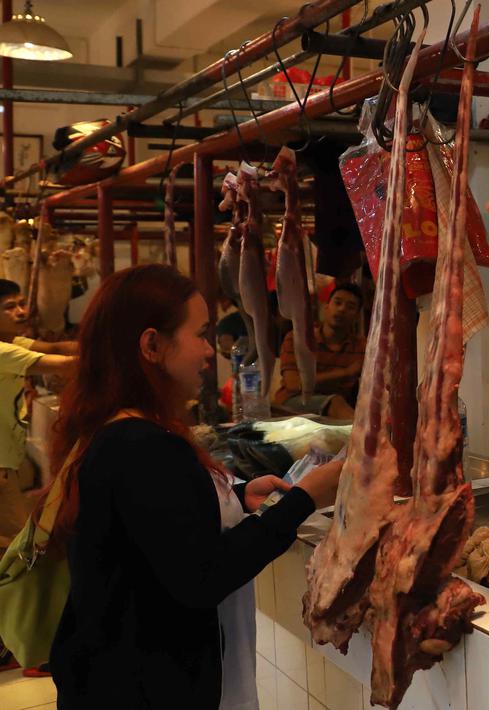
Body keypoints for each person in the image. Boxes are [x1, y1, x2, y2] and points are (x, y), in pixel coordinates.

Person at [45, 265, 343, 709]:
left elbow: (155, 527)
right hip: (137, 690)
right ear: (151, 345)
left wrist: (237, 498)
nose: (209, 350)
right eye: (200, 334)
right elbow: (204, 576)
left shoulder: (116, 429)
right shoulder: (140, 445)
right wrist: (303, 500)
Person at [0, 278, 77, 549]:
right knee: (22, 547)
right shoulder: (3, 351)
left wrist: (97, 340)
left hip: (7, 460)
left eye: (21, 304)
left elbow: (56, 348)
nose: (21, 311)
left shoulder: (12, 341)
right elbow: (65, 364)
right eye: (10, 307)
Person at [271, 282, 364, 419]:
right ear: (326, 307)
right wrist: (346, 373)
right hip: (292, 403)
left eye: (350, 307)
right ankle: (364, 431)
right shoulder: (298, 338)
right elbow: (293, 384)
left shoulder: (362, 346)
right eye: (337, 303)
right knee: (335, 402)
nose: (342, 309)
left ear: (356, 317)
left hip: (336, 409)